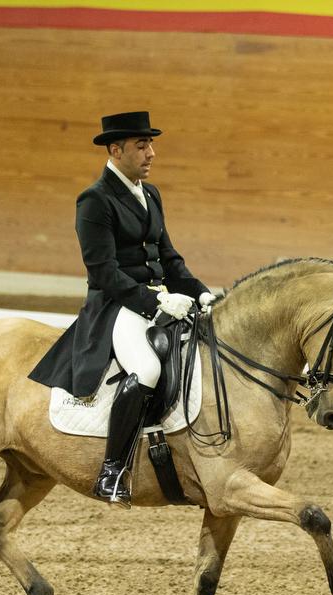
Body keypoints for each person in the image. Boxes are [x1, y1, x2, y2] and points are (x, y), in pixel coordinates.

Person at [28, 111, 214, 505]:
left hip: (156, 298)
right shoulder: (95, 200)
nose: (152, 153)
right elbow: (104, 272)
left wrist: (200, 292)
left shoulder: (151, 194)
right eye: (142, 146)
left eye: (151, 144)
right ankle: (113, 470)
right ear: (117, 149)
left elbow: (169, 257)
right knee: (145, 369)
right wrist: (157, 300)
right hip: (116, 305)